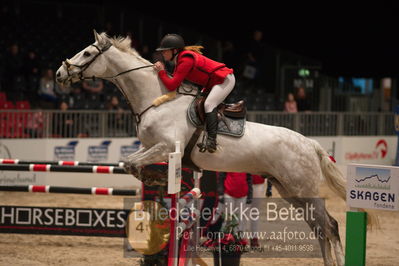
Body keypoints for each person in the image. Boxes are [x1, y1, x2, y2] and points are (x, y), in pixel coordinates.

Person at [153, 34, 235, 153]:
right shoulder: (180, 60)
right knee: (195, 104)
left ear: (174, 50)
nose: (163, 53)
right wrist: (163, 72)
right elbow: (173, 83)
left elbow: (171, 86)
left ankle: (212, 141)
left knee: (209, 105)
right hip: (212, 83)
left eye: (165, 51)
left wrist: (161, 72)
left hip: (224, 79)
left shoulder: (186, 59)